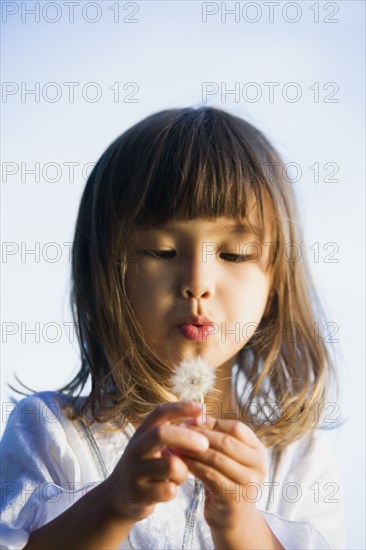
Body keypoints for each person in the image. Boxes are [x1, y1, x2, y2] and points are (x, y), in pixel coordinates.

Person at [0, 106, 345, 549]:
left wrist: (239, 524)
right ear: (107, 274)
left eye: (235, 253)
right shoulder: (50, 434)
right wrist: (113, 505)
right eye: (162, 251)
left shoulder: (299, 460)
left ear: (276, 279)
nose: (197, 284)